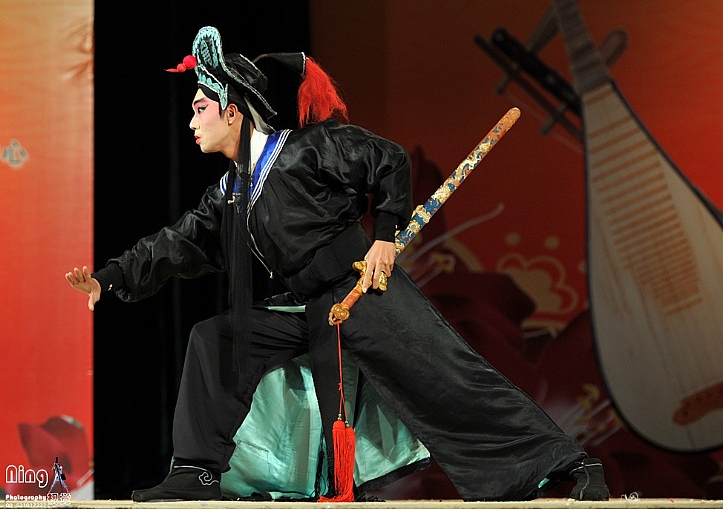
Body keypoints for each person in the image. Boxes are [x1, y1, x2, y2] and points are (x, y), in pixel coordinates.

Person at [65, 26, 609, 502]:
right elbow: (175, 243)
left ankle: (571, 464)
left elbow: (389, 160)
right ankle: (197, 471)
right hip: (307, 307)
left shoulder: (307, 148)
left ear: (232, 111)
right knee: (215, 339)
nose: (190, 121)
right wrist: (108, 279)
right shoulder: (230, 193)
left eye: (199, 108)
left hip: (361, 289)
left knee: (451, 379)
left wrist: (385, 238)